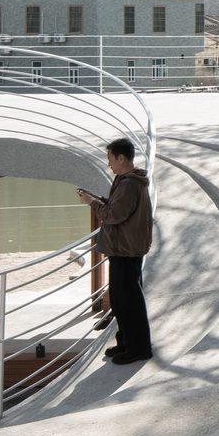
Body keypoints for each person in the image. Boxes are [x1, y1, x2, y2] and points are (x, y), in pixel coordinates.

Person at [78, 136, 153, 365]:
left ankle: (138, 348)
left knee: (129, 300)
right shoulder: (125, 179)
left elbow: (113, 215)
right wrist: (97, 198)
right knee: (121, 300)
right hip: (124, 248)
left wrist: (92, 203)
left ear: (121, 158)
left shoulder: (130, 183)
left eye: (110, 158)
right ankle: (126, 343)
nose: (108, 163)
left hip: (126, 250)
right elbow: (115, 206)